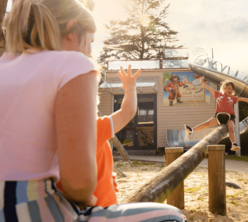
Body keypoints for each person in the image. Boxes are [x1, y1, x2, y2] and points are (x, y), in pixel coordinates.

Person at [0, 0, 185, 221]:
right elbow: (78, 184)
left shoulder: (5, 65)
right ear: (71, 29)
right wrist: (87, 197)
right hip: (31, 209)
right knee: (171, 216)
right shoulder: (72, 64)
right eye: (90, 41)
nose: (89, 51)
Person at [56, 65, 140, 207]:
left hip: (69, 208)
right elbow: (128, 111)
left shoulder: (56, 132)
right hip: (101, 208)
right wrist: (130, 87)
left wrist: (108, 175)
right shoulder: (92, 127)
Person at [184, 76, 248, 151]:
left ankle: (234, 144)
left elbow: (242, 99)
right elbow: (209, 88)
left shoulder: (232, 97)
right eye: (229, 88)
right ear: (224, 88)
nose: (230, 90)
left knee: (231, 129)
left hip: (229, 117)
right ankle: (191, 130)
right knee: (206, 124)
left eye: (232, 89)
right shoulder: (218, 94)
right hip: (219, 116)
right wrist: (201, 82)